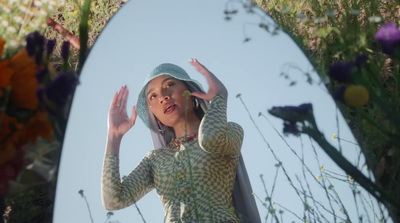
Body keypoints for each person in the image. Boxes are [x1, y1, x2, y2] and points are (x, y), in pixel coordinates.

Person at [101, 59, 261, 223]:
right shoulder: (154, 160)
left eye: (169, 85)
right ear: (154, 114)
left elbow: (211, 139)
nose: (163, 97)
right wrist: (114, 137)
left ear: (191, 92)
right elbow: (113, 200)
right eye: (153, 96)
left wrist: (220, 95)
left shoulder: (229, 131)